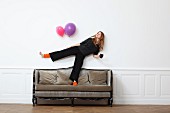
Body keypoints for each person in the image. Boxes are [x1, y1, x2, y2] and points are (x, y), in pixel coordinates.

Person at [39, 31, 105, 86]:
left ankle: (74, 81)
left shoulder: (97, 47)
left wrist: (99, 56)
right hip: (77, 49)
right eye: (97, 33)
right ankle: (46, 55)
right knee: (63, 52)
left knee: (78, 66)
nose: (97, 34)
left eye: (99, 34)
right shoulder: (90, 39)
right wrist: (71, 46)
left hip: (82, 54)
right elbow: (80, 43)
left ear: (101, 37)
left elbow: (94, 55)